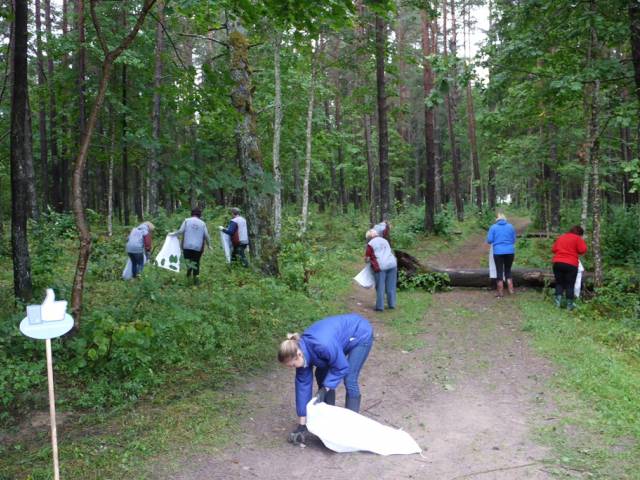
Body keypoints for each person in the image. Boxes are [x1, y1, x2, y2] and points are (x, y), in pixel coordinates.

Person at [278, 313, 374, 445]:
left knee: (349, 378)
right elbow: (302, 388)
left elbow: (341, 367)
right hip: (337, 342)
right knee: (321, 375)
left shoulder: (322, 345)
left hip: (359, 334)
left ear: (298, 355)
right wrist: (302, 425)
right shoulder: (301, 353)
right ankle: (330, 420)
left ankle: (352, 427)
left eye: (293, 364)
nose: (293, 367)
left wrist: (325, 389)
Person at [170, 207, 211, 283]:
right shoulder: (203, 223)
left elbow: (181, 231)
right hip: (198, 247)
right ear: (200, 215)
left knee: (189, 261)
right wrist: (209, 245)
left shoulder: (186, 221)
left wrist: (172, 234)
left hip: (187, 246)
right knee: (196, 262)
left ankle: (188, 274)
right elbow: (206, 235)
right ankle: (196, 279)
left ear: (192, 214)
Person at [552, 225, 588, 310]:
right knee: (570, 285)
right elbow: (583, 250)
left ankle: (557, 303)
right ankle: (569, 305)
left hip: (557, 263)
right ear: (580, 234)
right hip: (571, 264)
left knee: (559, 283)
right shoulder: (577, 238)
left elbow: (553, 249)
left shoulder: (561, 237)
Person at [365, 229, 397, 311]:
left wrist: (367, 261)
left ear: (369, 237)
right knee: (391, 286)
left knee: (380, 287)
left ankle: (380, 307)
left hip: (380, 266)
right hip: (392, 264)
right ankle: (392, 305)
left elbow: (367, 258)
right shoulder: (385, 240)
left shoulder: (370, 244)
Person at [486, 213, 517, 298]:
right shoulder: (510, 226)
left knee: (499, 271)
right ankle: (511, 290)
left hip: (498, 252)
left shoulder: (493, 227)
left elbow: (489, 240)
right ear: (505, 219)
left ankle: (500, 293)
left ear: (497, 220)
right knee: (508, 270)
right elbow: (514, 240)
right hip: (510, 252)